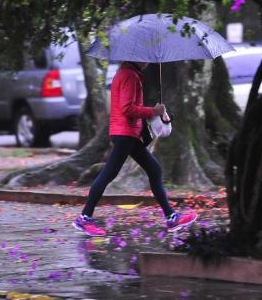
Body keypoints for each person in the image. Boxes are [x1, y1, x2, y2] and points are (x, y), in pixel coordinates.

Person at [73, 61, 197, 236]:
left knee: (154, 170)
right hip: (124, 133)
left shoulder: (127, 74)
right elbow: (128, 109)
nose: (147, 62)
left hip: (127, 133)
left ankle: (171, 217)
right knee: (108, 174)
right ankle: (85, 217)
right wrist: (153, 111)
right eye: (144, 59)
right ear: (135, 58)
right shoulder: (129, 76)